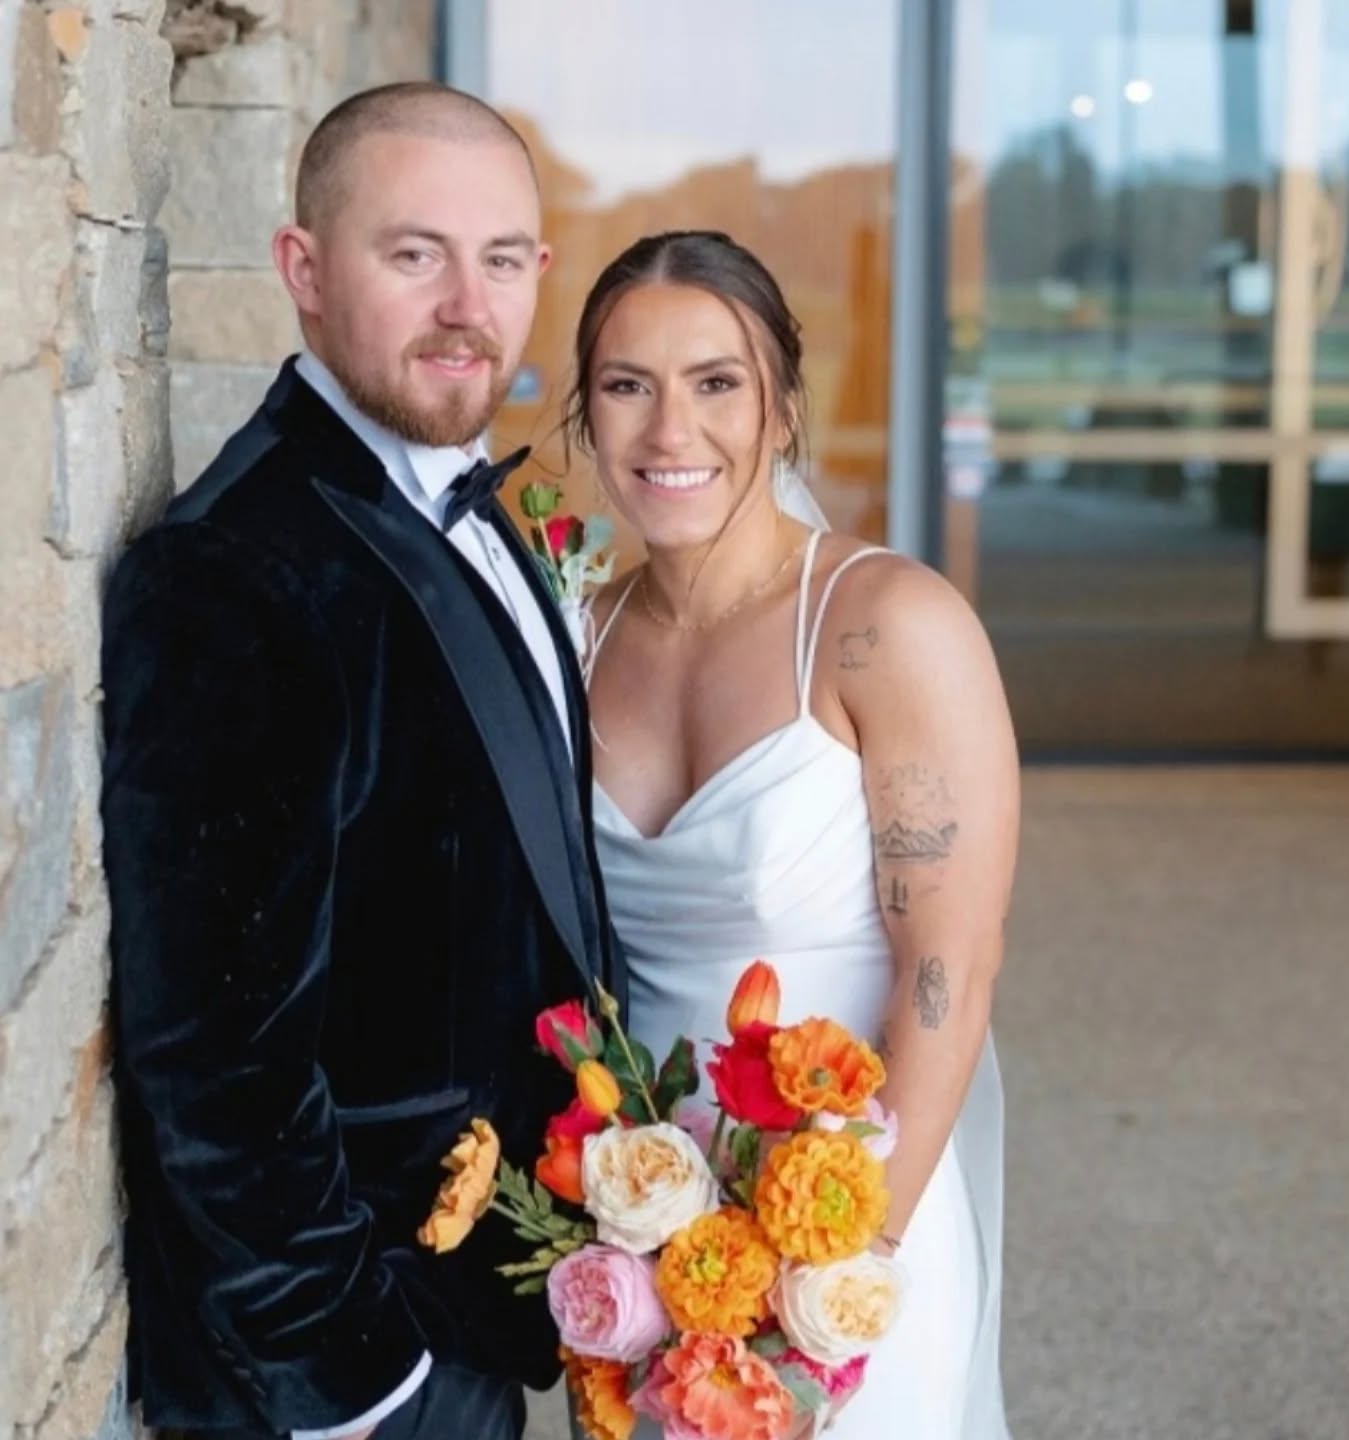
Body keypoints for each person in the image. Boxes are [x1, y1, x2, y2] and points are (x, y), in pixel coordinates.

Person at [100, 83, 622, 1440]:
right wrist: (354, 1380)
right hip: (357, 1369)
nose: (468, 303)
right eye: (414, 255)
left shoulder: (476, 502)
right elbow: (213, 1048)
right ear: (304, 271)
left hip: (476, 1307)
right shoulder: (236, 574)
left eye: (501, 258)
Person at [575, 231, 1019, 1437]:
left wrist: (829, 1285)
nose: (672, 433)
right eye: (628, 386)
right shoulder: (575, 636)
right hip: (638, 1230)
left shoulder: (887, 623)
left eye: (717, 384)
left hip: (853, 1215)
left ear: (782, 414)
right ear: (587, 415)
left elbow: (948, 970)